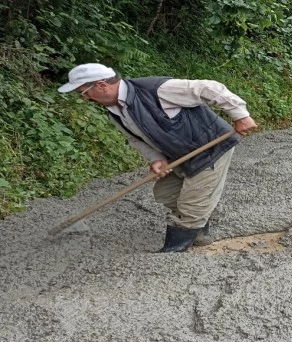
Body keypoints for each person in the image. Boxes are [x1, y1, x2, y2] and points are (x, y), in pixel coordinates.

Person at [58, 63, 258, 253]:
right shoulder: (114, 112)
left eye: (83, 93)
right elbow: (136, 139)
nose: (84, 98)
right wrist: (156, 159)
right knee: (166, 192)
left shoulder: (156, 89)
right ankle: (199, 227)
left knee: (192, 204)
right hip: (178, 153)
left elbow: (209, 88)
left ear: (101, 85)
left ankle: (173, 253)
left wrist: (240, 115)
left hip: (211, 146)